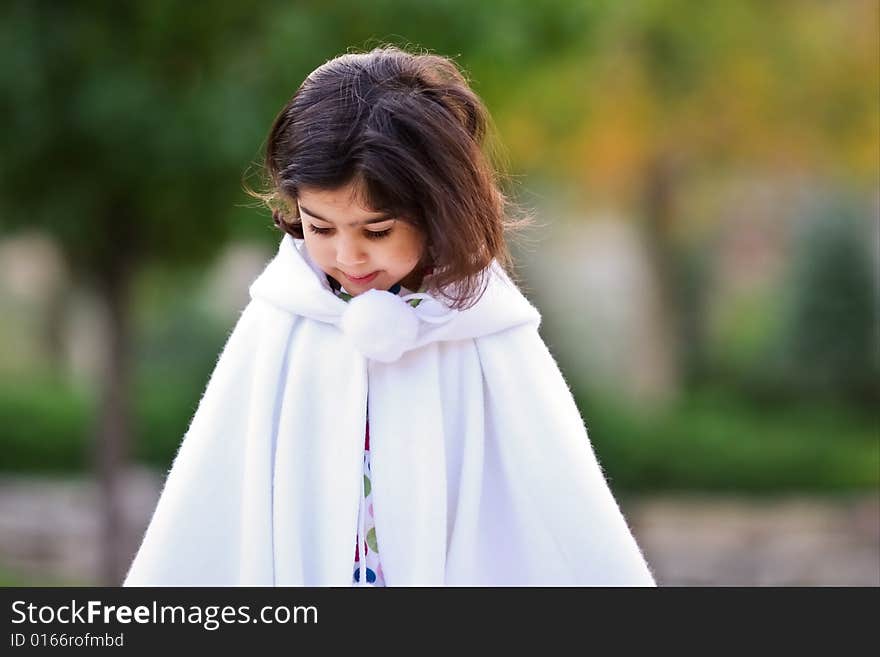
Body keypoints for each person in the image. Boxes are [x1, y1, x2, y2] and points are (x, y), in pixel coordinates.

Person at [123, 45, 656, 587]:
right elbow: (211, 518)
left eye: (376, 231)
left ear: (436, 210)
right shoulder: (282, 325)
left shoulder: (484, 335)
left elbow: (556, 521)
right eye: (320, 227)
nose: (348, 257)